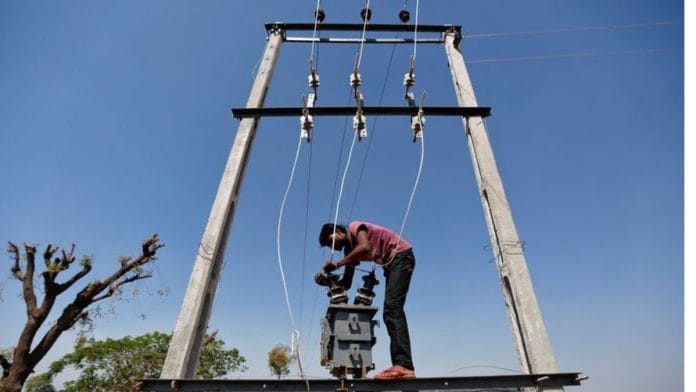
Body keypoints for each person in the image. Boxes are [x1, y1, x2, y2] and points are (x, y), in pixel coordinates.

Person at [316, 221, 416, 380]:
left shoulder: (355, 227)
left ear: (339, 231)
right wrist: (327, 283)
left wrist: (337, 264)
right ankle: (402, 364)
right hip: (392, 264)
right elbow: (347, 284)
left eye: (330, 241)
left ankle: (403, 365)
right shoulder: (349, 251)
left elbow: (365, 247)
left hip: (401, 256)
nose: (332, 247)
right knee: (390, 310)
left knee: (392, 309)